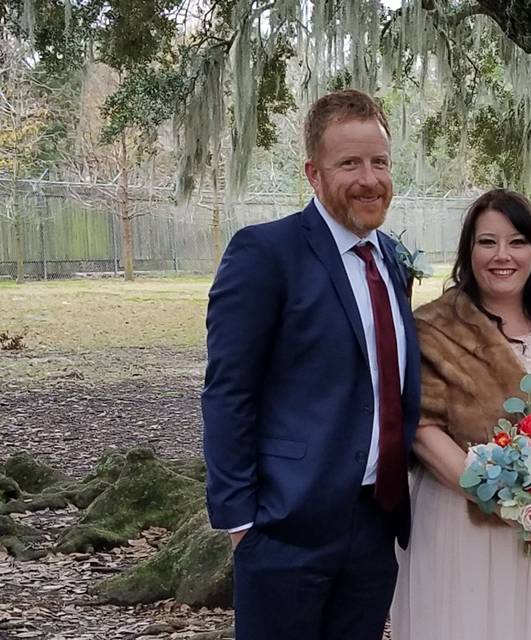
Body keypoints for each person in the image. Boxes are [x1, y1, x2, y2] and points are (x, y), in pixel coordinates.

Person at [201, 89, 420, 640]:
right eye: (349, 163)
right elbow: (229, 391)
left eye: (379, 162)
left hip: (375, 525)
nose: (369, 178)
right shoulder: (265, 253)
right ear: (313, 174)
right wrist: (240, 522)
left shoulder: (390, 257)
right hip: (284, 528)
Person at [390, 189, 531, 640]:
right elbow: (420, 427)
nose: (502, 256)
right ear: (468, 251)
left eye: (516, 242)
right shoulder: (434, 328)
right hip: (463, 523)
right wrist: (499, 494)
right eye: (487, 242)